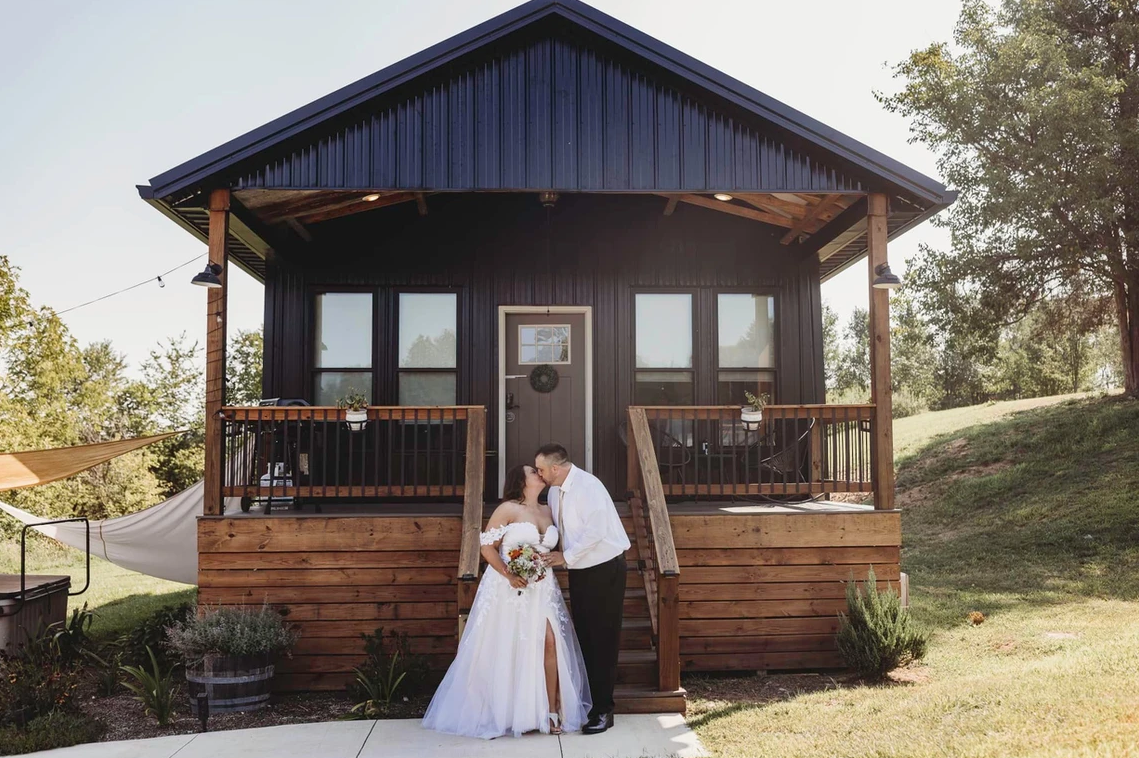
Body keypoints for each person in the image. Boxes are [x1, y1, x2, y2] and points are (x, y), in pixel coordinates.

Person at [422, 464, 591, 739]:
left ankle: (551, 710)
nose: (539, 473)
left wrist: (544, 560)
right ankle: (504, 711)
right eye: (533, 471)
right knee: (508, 644)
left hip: (543, 586)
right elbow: (487, 546)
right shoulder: (508, 509)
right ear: (520, 480)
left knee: (550, 642)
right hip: (508, 586)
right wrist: (509, 573)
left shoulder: (549, 509)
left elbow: (555, 547)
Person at [535, 443, 630, 736]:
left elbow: (596, 531)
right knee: (585, 637)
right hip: (579, 571)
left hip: (605, 568)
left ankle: (604, 710)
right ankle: (590, 704)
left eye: (541, 469)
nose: (538, 474)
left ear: (555, 468)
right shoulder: (552, 492)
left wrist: (566, 557)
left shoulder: (590, 486)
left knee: (602, 639)